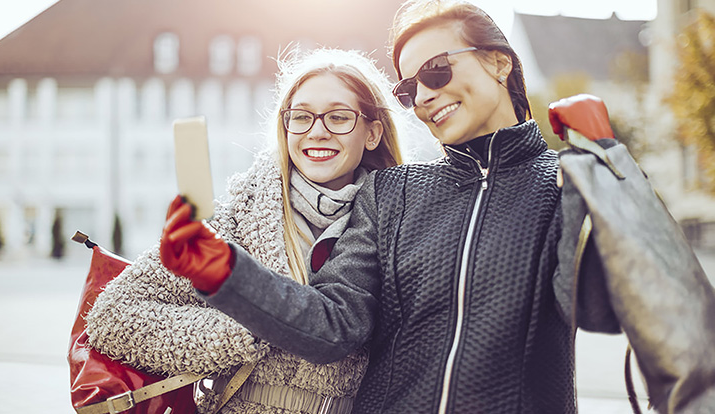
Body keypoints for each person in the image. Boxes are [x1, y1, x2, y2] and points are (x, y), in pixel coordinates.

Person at [158, 1, 714, 413]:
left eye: (437, 71)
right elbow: (335, 326)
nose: (423, 96)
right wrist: (226, 271)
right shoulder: (392, 194)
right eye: (408, 88)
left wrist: (609, 166)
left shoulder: (566, 184)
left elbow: (607, 306)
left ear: (499, 64)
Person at [84, 47, 404, 414]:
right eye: (300, 117)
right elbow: (112, 316)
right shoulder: (236, 216)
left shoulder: (395, 221)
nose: (317, 131)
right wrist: (247, 328)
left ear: (372, 133)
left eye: (339, 116)